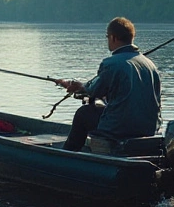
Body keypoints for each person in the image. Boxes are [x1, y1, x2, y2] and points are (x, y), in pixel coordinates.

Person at [55, 17, 161, 152]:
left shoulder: (111, 63)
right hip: (149, 129)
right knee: (101, 107)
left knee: (84, 113)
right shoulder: (150, 65)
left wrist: (79, 87)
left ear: (113, 38)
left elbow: (94, 90)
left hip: (120, 128)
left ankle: (68, 153)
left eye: (107, 37)